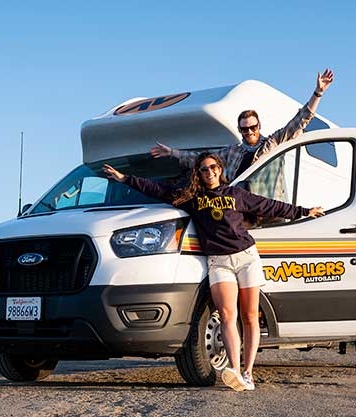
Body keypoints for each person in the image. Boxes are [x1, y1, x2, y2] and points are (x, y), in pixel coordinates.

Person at [103, 153, 324, 391]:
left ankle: (248, 372)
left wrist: (304, 211)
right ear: (198, 174)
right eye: (203, 170)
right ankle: (235, 371)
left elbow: (268, 205)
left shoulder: (236, 194)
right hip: (219, 262)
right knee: (227, 316)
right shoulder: (193, 199)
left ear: (220, 169)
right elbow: (158, 189)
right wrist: (125, 178)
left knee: (249, 317)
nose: (209, 172)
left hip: (246, 258)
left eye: (212, 168)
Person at [150, 69, 334, 181]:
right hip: (238, 206)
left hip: (266, 210)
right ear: (240, 130)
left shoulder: (272, 143)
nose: (250, 132)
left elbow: (300, 120)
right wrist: (172, 153)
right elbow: (200, 159)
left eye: (253, 127)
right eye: (245, 129)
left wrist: (318, 93)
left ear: (259, 126)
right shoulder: (232, 152)